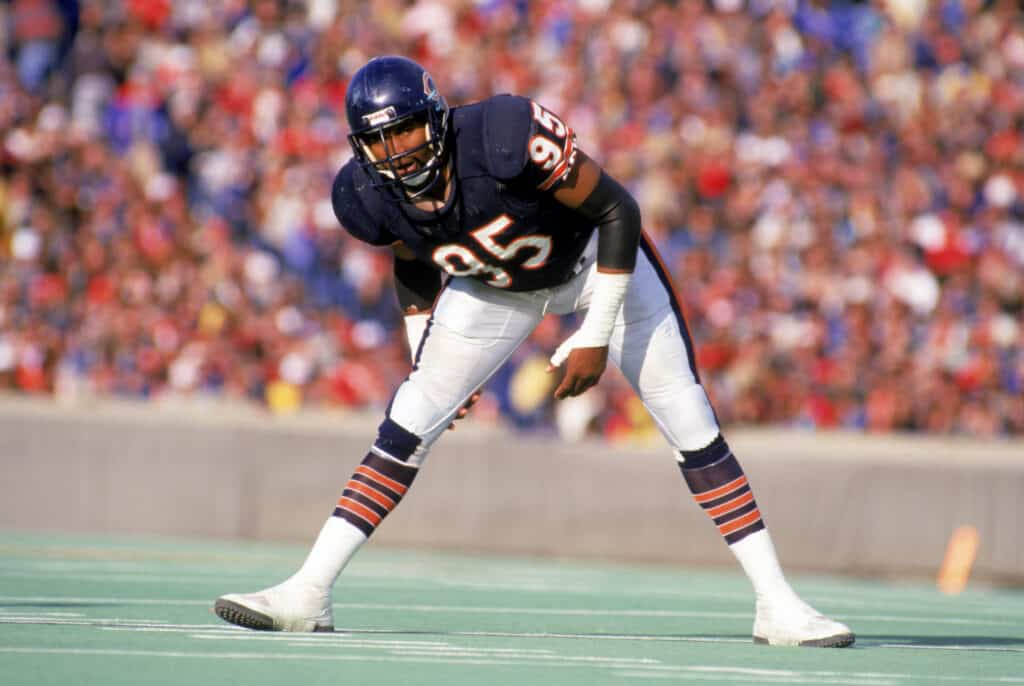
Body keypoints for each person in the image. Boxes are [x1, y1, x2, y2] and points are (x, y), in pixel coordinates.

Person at [214, 55, 854, 648]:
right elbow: (412, 257)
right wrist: (423, 355)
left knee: (689, 420)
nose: (397, 151)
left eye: (405, 130)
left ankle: (777, 604)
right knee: (408, 420)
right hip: (495, 287)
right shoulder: (364, 196)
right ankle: (309, 592)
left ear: (435, 117)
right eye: (379, 140)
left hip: (596, 264)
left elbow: (618, 211)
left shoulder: (504, 135)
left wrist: (595, 332)